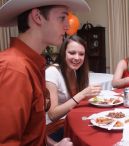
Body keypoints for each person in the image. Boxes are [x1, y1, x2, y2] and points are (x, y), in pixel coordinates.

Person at [0, 0, 90, 145]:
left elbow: (32, 132)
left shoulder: (34, 65)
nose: (68, 26)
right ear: (37, 17)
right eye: (62, 18)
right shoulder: (13, 69)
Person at [45, 35, 101, 138]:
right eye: (72, 53)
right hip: (54, 128)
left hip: (71, 120)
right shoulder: (52, 72)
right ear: (63, 53)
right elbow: (52, 115)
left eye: (81, 54)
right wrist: (82, 93)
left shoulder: (75, 71)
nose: (77, 58)